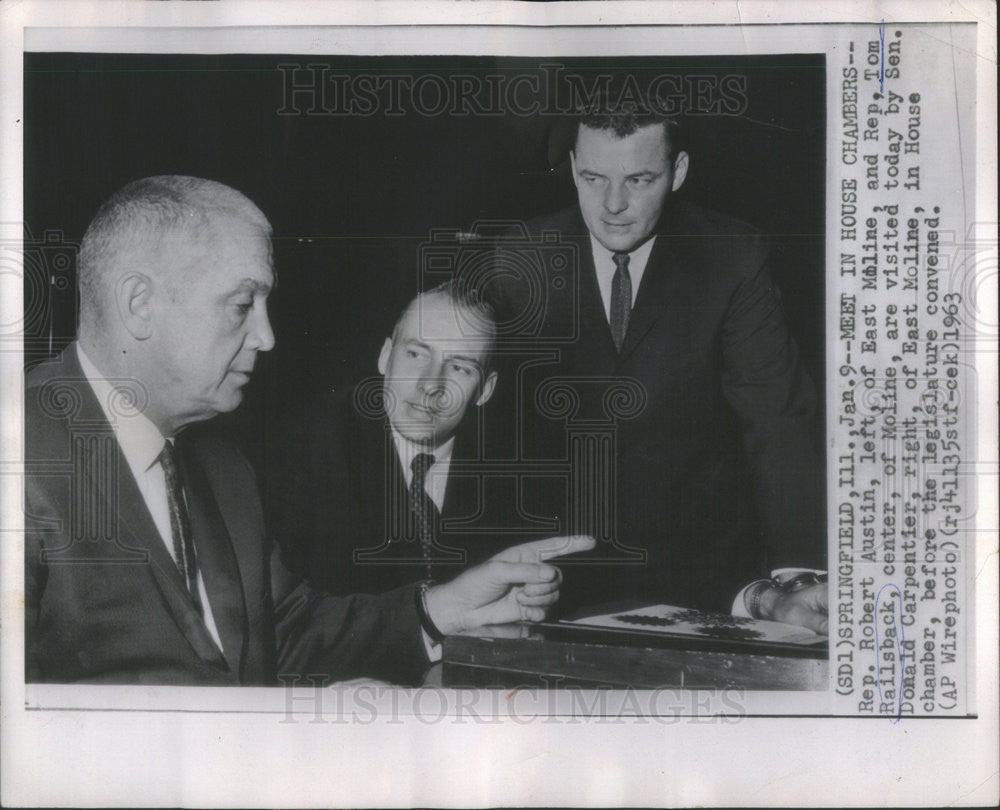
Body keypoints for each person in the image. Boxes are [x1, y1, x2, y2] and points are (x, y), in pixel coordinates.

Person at [24, 175, 593, 685]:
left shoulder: (223, 468)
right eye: (242, 305)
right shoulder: (20, 456)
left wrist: (442, 609)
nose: (267, 337)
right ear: (139, 304)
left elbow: (284, 636)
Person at [484, 101, 828, 631]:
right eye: (593, 177)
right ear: (574, 167)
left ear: (678, 172)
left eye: (639, 179)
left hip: (706, 575)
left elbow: (776, 419)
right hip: (551, 579)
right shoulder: (519, 256)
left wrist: (797, 578)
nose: (613, 204)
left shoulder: (732, 256)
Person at [270, 281, 533, 596]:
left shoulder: (517, 470)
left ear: (485, 390)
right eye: (416, 354)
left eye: (460, 368)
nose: (430, 384)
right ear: (384, 356)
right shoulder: (307, 444)